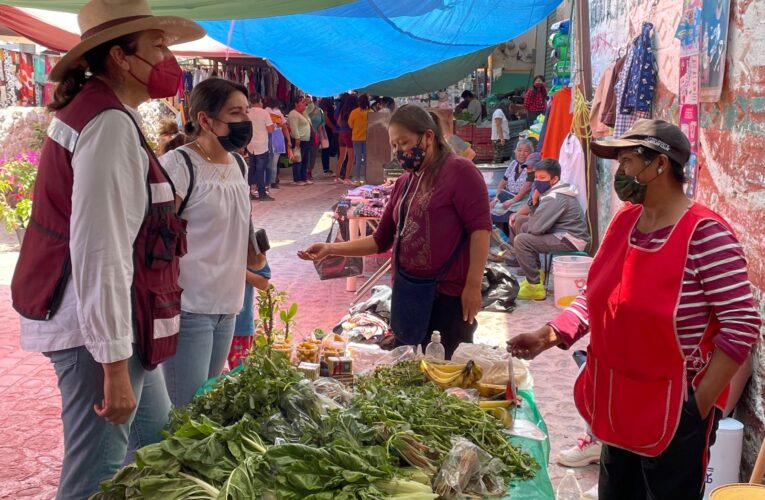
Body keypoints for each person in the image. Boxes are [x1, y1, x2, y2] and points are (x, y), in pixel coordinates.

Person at [508, 120, 762, 499]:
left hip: (673, 412)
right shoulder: (624, 222)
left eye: (626, 160)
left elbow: (742, 324)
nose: (620, 172)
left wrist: (698, 404)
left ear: (660, 165)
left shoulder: (707, 235)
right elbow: (595, 297)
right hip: (615, 402)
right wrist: (549, 335)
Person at [10, 1, 204, 497]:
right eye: (158, 46)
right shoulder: (109, 124)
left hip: (116, 323)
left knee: (160, 445)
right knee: (95, 472)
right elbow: (102, 251)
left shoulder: (104, 113)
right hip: (97, 332)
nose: (168, 57)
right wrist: (114, 367)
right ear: (120, 56)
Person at [298, 105, 491, 359]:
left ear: (428, 137)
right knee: (409, 370)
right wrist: (331, 248)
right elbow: (380, 240)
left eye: (404, 142)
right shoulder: (405, 181)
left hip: (449, 296)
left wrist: (473, 285)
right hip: (408, 294)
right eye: (395, 145)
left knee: (447, 373)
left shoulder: (461, 172)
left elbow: (480, 230)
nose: (400, 151)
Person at [159, 78, 253, 407]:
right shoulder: (179, 165)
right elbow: (158, 237)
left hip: (228, 304)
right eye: (235, 113)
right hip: (189, 305)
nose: (244, 121)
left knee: (207, 403)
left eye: (246, 112)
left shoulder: (239, 165)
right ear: (205, 120)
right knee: (186, 411)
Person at [507, 159, 589, 300]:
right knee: (521, 221)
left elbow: (536, 228)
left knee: (521, 240)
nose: (538, 181)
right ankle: (536, 274)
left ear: (554, 178)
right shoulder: (555, 190)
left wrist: (533, 205)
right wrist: (533, 203)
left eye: (543, 178)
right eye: (537, 177)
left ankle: (535, 286)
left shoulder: (555, 196)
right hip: (559, 233)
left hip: (570, 239)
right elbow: (537, 220)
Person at [228, 260, 272, 368]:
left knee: (239, 374)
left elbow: (264, 283)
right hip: (204, 319)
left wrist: (239, 270)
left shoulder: (248, 245)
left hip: (239, 326)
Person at [490, 139, 539, 235]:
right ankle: (501, 236)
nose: (522, 153)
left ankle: (510, 237)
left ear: (531, 153)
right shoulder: (513, 164)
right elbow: (503, 182)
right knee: (492, 206)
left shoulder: (531, 165)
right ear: (515, 152)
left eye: (526, 151)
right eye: (519, 150)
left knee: (510, 210)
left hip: (523, 198)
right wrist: (497, 197)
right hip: (509, 195)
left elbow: (528, 186)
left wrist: (513, 201)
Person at [246, 92, 275, 201]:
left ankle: (248, 192)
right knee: (260, 170)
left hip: (250, 144)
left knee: (252, 169)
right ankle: (262, 193)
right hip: (262, 145)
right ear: (259, 101)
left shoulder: (247, 113)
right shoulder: (264, 113)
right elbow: (270, 129)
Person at [265, 97, 291, 189]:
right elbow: (284, 127)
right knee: (274, 162)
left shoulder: (265, 111)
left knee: (267, 161)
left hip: (268, 137)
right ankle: (273, 181)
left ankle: (266, 181)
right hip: (278, 138)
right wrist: (289, 140)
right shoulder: (279, 112)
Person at [288, 96, 313, 186]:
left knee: (305, 160)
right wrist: (297, 138)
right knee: (298, 159)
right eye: (302, 102)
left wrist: (309, 102)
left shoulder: (303, 113)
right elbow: (293, 127)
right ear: (296, 104)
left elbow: (311, 108)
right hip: (299, 140)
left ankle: (304, 177)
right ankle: (297, 179)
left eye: (303, 103)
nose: (304, 104)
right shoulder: (293, 114)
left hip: (306, 140)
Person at [348, 94, 371, 185]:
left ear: (359, 102)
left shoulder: (354, 112)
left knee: (358, 159)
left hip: (356, 138)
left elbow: (350, 125)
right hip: (367, 139)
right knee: (366, 159)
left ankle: (357, 179)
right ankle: (366, 179)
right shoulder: (371, 111)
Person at [335, 93, 357, 184]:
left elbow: (339, 121)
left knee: (341, 157)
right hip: (350, 134)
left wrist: (343, 128)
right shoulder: (355, 111)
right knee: (351, 158)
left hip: (342, 133)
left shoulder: (344, 110)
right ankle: (347, 178)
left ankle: (337, 177)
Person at [306, 98, 327, 180]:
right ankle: (306, 170)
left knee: (313, 154)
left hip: (316, 136)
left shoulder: (320, 110)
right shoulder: (305, 110)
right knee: (307, 154)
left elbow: (323, 121)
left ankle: (309, 170)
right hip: (306, 135)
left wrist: (321, 126)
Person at [319, 97, 338, 176]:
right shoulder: (325, 104)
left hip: (328, 129)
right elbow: (326, 118)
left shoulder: (327, 103)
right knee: (326, 148)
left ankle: (326, 169)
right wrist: (333, 128)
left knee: (327, 148)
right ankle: (326, 169)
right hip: (327, 129)